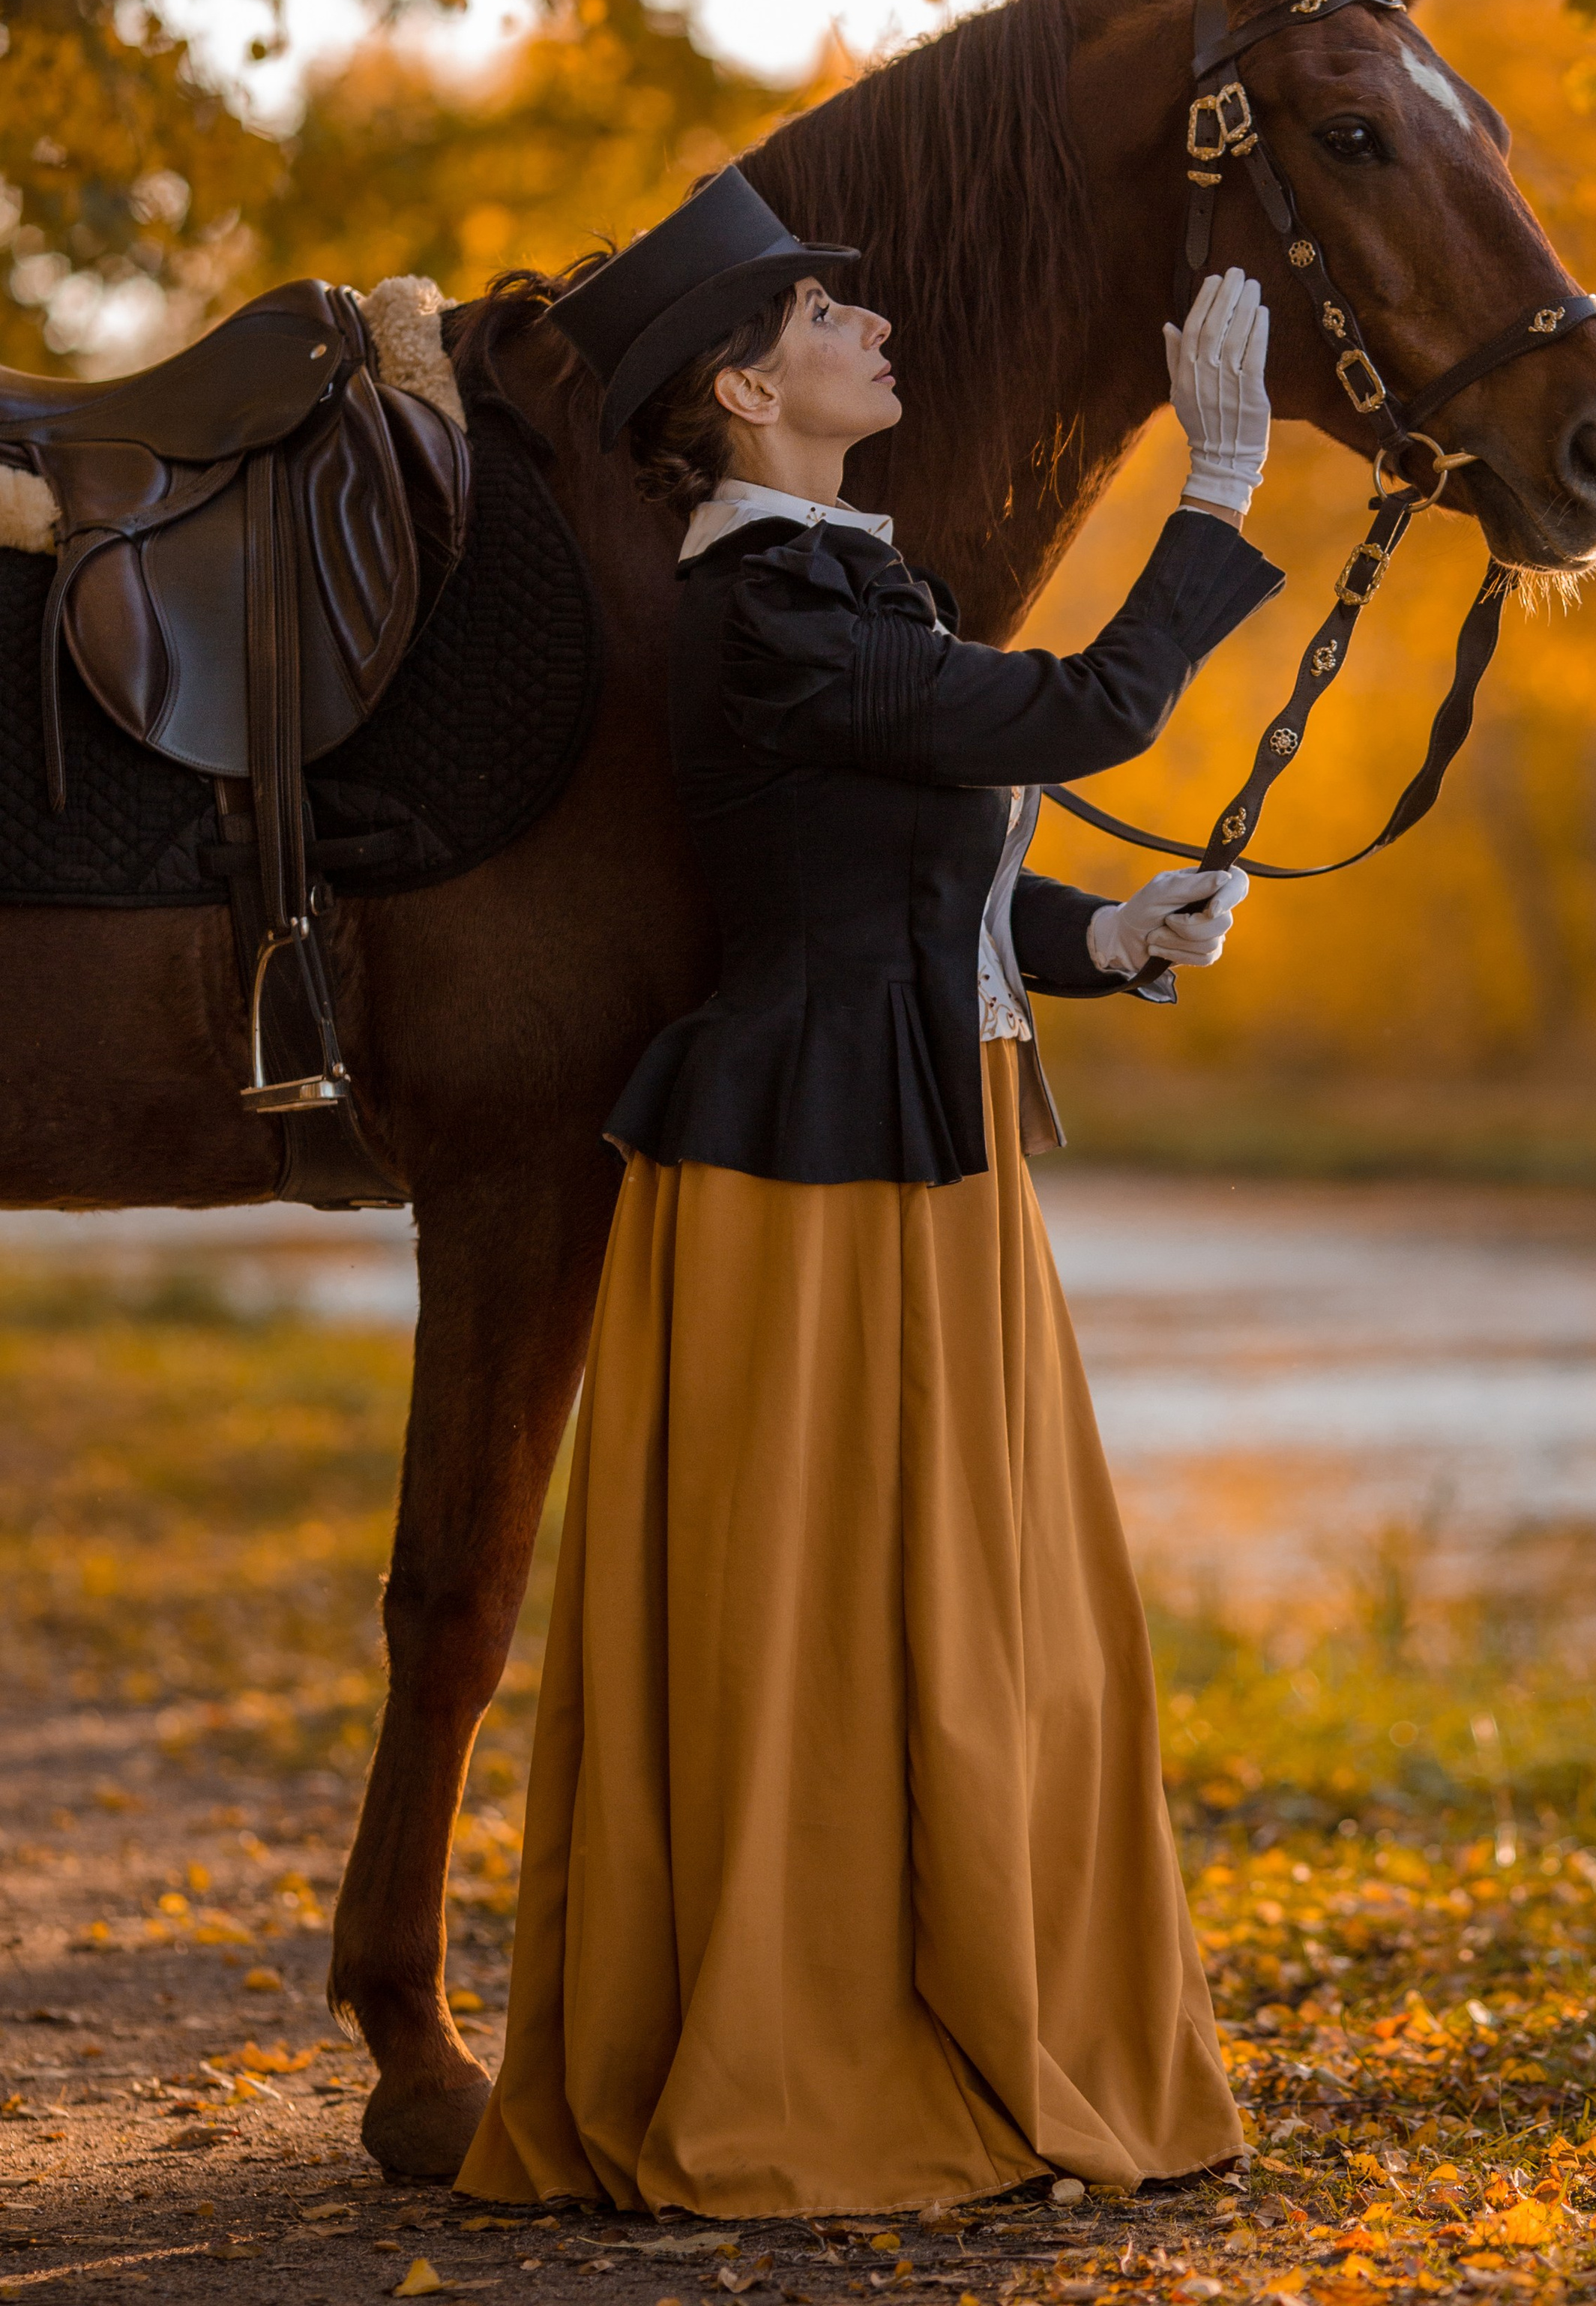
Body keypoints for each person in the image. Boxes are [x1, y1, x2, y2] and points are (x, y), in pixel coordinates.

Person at [457, 167, 1282, 2218]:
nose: (878, 329)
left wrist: (1110, 941)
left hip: (925, 1137)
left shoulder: (847, 588)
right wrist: (1222, 484)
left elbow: (937, 872)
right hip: (811, 1182)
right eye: (833, 317)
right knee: (831, 1631)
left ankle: (958, 2001)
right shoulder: (769, 610)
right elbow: (1084, 709)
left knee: (982, 1626)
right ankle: (825, 2039)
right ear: (747, 390)